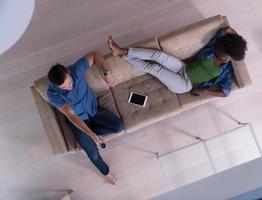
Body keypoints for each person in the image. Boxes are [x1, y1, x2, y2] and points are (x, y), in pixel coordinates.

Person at [47, 50, 123, 185]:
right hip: (77, 120)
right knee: (92, 153)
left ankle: (84, 138)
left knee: (118, 127)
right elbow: (71, 115)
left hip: (94, 109)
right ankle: (105, 172)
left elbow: (95, 54)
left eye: (69, 84)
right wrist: (90, 134)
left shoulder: (76, 69)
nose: (68, 89)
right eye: (63, 88)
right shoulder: (52, 93)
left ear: (69, 73)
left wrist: (107, 74)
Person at [107, 26, 247, 97]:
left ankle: (122, 55)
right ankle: (121, 51)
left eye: (228, 58)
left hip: (185, 85)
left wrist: (204, 91)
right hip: (183, 68)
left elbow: (225, 93)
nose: (225, 59)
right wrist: (236, 43)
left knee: (156, 69)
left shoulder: (226, 70)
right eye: (224, 54)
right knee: (159, 55)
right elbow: (227, 30)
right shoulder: (213, 48)